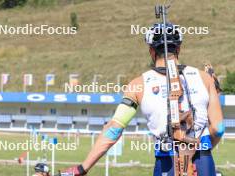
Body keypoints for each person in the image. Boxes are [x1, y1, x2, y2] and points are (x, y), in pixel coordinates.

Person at [63, 23, 225, 176]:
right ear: (179, 48)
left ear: (151, 51)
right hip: (203, 161)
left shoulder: (138, 84)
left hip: (166, 161)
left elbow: (114, 129)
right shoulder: (204, 78)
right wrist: (202, 147)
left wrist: (82, 168)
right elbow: (218, 128)